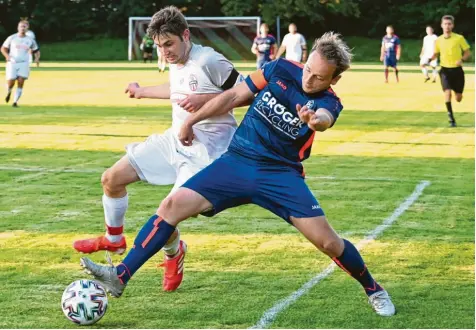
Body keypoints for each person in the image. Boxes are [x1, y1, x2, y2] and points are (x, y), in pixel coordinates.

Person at [80, 32, 396, 317]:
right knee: (171, 206)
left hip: (280, 176)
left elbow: (324, 120)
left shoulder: (328, 102)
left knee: (328, 242)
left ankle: (373, 288)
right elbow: (233, 96)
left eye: (318, 77)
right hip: (236, 161)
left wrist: (314, 121)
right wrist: (190, 121)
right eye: (308, 70)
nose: (309, 79)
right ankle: (121, 275)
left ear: (334, 79)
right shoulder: (280, 69)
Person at [73, 6, 243, 292]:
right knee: (111, 179)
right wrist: (143, 91)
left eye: (169, 44)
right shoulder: (175, 61)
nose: (165, 52)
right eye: (159, 46)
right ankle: (114, 239)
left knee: (167, 213)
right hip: (175, 140)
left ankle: (174, 254)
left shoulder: (208, 60)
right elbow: (176, 87)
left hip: (207, 154)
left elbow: (247, 92)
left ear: (185, 35)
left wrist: (202, 101)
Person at [431, 15, 471, 127]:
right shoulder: (438, 40)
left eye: (449, 24)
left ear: (452, 25)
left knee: (458, 98)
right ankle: (451, 118)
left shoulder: (459, 38)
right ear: (441, 25)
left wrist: (462, 59)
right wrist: (429, 59)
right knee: (447, 93)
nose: (447, 26)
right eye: (445, 24)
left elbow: (467, 52)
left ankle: (457, 93)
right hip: (445, 70)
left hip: (457, 71)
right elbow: (436, 53)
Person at [1, 20, 40, 107]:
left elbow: (36, 50)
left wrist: (37, 59)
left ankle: (15, 102)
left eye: (24, 26)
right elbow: (3, 48)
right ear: (18, 27)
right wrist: (7, 56)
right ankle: (9, 91)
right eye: (21, 26)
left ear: (27, 28)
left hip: (24, 63)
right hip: (12, 63)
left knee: (21, 81)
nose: (23, 28)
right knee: (11, 81)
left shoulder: (30, 40)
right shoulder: (12, 38)